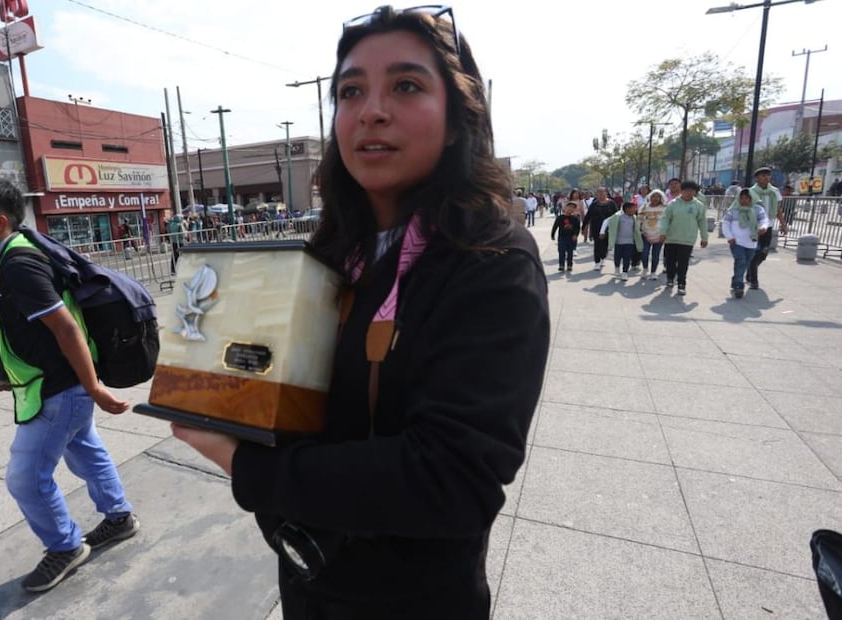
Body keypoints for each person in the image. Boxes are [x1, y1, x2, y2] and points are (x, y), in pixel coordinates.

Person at [171, 7, 550, 619]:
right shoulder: (331, 252)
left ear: (458, 121)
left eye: (406, 85)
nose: (371, 110)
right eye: (350, 91)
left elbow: (454, 480)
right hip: (310, 581)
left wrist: (244, 465)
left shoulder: (491, 260)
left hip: (415, 602)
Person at [0, 177, 139, 593]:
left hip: (61, 389)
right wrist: (10, 372)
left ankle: (65, 546)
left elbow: (66, 328)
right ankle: (119, 517)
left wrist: (94, 389)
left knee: (26, 477)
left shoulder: (18, 264)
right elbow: (23, 329)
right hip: (53, 383)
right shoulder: (6, 259)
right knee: (86, 452)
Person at [658, 179, 708, 296]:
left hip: (687, 239)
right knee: (670, 261)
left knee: (683, 263)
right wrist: (662, 232)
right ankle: (670, 279)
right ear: (682, 191)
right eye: (686, 190)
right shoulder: (673, 204)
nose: (689, 193)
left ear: (695, 192)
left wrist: (704, 237)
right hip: (671, 238)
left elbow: (702, 222)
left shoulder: (698, 205)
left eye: (692, 191)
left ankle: (681, 284)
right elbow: (665, 219)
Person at [722, 188, 769, 299]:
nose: (744, 200)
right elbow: (725, 224)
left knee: (744, 264)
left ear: (752, 199)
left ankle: (735, 281)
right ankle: (739, 286)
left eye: (747, 198)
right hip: (736, 242)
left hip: (751, 243)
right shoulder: (733, 210)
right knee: (741, 261)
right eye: (742, 198)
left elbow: (764, 220)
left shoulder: (758, 210)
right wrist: (730, 237)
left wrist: (763, 227)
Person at [745, 166, 786, 290]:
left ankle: (750, 272)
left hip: (768, 225)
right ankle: (754, 280)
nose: (766, 177)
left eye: (768, 175)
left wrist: (783, 224)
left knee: (763, 253)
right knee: (755, 252)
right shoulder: (751, 192)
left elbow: (778, 209)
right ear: (757, 178)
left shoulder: (774, 191)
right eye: (763, 175)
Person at [598, 199, 643, 281]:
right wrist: (602, 232)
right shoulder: (617, 216)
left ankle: (625, 272)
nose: (635, 210)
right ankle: (617, 268)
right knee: (617, 257)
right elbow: (606, 221)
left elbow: (637, 228)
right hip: (618, 242)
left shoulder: (634, 218)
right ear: (627, 209)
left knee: (627, 257)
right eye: (633, 208)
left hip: (629, 242)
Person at [582, 186, 618, 271]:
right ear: (596, 194)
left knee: (605, 244)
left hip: (608, 228)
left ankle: (603, 257)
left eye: (603, 192)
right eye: (599, 193)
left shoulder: (611, 203)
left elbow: (617, 215)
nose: (601, 194)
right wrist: (583, 226)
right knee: (597, 244)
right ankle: (597, 262)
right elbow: (588, 216)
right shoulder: (594, 204)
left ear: (606, 193)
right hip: (596, 227)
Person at [638, 189, 667, 281]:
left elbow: (668, 221)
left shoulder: (665, 208)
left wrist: (665, 234)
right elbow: (639, 219)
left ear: (661, 198)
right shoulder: (644, 207)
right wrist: (639, 230)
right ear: (650, 197)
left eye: (658, 196)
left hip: (659, 235)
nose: (655, 198)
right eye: (653, 196)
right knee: (644, 253)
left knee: (655, 255)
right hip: (645, 234)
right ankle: (645, 269)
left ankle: (653, 272)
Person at [552, 201, 581, 272]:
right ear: (565, 207)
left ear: (575, 210)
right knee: (561, 251)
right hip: (562, 237)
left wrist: (575, 235)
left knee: (570, 252)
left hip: (571, 238)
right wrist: (552, 234)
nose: (570, 209)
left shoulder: (575, 218)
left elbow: (577, 228)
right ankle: (561, 265)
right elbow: (555, 226)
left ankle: (569, 265)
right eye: (569, 207)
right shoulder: (560, 217)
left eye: (573, 208)